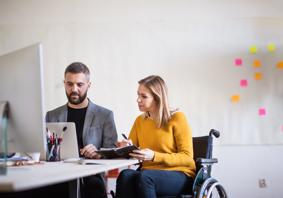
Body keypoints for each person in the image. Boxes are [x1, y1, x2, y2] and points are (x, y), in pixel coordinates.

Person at [115, 75, 196, 198]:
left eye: (144, 96)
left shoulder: (177, 118)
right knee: (125, 176)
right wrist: (125, 147)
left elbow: (187, 157)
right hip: (147, 173)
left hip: (179, 173)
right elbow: (132, 151)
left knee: (146, 177)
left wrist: (154, 156)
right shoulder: (140, 121)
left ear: (157, 98)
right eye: (138, 95)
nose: (138, 100)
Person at [46, 62, 118, 198]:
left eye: (79, 85)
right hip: (59, 173)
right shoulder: (52, 115)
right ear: (64, 84)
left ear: (88, 85)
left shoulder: (105, 115)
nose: (74, 89)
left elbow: (112, 150)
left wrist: (98, 153)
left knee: (94, 187)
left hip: (90, 174)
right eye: (69, 84)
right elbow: (44, 149)